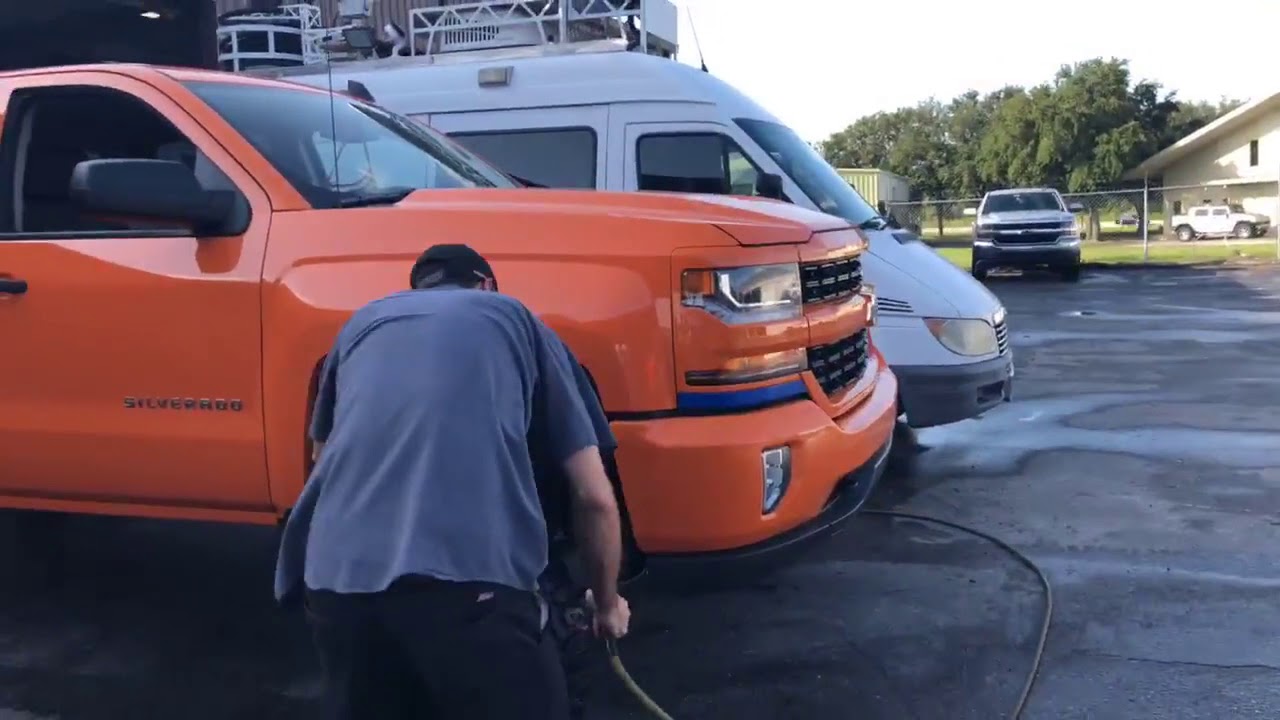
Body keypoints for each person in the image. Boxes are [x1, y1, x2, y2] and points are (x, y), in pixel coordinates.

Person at [273, 243, 630, 720]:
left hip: (335, 583)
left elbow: (322, 462)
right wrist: (607, 605)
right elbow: (594, 497)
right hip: (467, 588)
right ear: (486, 284)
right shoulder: (510, 316)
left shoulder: (363, 324)